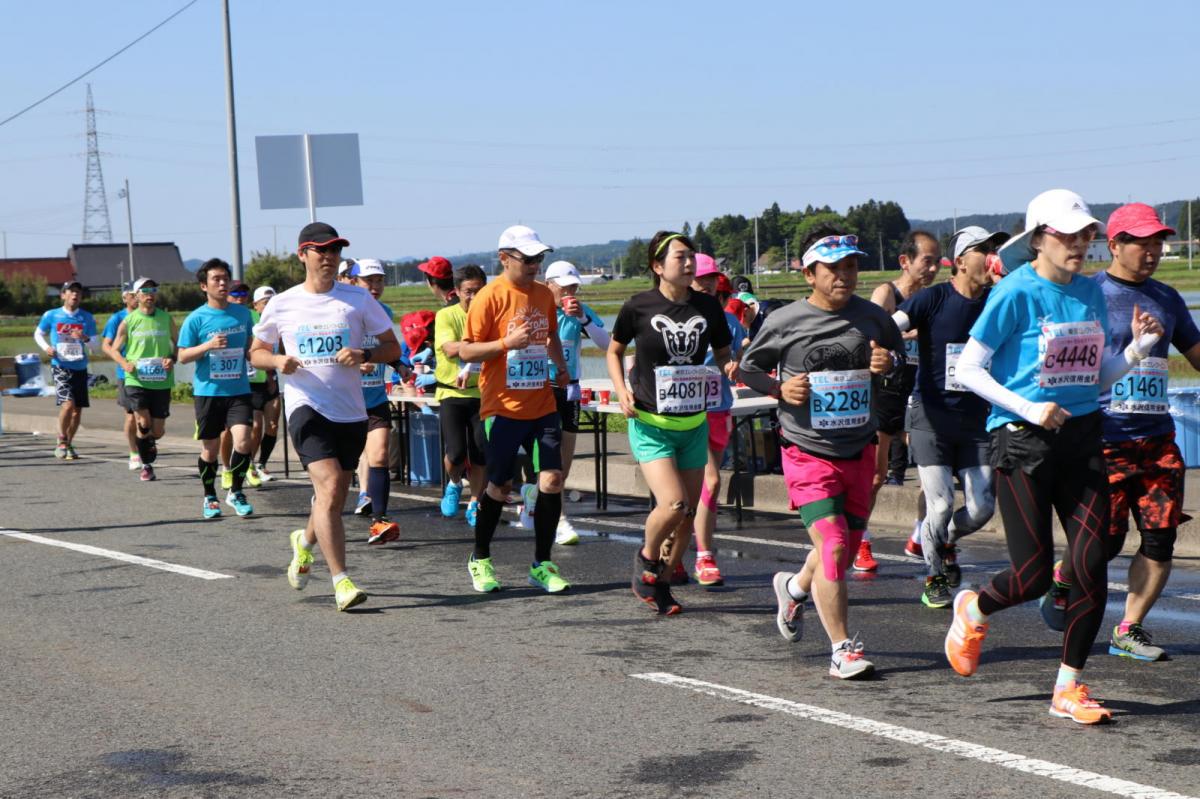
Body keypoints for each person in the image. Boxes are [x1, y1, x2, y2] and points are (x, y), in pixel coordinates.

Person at [946, 189, 1163, 724]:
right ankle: (974, 607)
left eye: (1085, 234)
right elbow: (969, 370)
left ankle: (1069, 686)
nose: (1080, 244)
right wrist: (1028, 407)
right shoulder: (1016, 293)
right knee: (1034, 575)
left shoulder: (1090, 293)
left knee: (1090, 565)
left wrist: (1135, 350)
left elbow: (1094, 376)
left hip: (1084, 437)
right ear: (1039, 238)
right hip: (1022, 440)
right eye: (1068, 235)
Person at [741, 227, 904, 678]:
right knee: (833, 546)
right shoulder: (784, 321)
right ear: (810, 273)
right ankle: (841, 649)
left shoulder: (873, 317)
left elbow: (899, 359)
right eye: (833, 268)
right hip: (807, 450)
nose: (845, 275)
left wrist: (887, 364)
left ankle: (793, 588)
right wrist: (779, 388)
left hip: (859, 448)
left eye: (851, 266)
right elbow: (748, 367)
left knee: (844, 550)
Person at [252, 222, 399, 612]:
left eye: (335, 250)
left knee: (330, 497)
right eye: (321, 250)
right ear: (303, 254)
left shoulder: (357, 299)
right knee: (332, 486)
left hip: (350, 412)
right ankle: (341, 581)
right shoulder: (282, 303)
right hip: (306, 407)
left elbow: (391, 346)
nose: (329, 257)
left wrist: (365, 355)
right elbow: (256, 351)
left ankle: (304, 542)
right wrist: (277, 359)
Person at [1091, 204, 1199, 661]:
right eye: (1141, 242)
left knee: (1160, 537)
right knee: (1106, 542)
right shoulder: (1087, 293)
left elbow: (1195, 353)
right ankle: (1064, 574)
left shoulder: (1167, 297)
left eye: (1157, 242)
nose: (1152, 251)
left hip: (1157, 440)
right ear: (1114, 245)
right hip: (1103, 437)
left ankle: (1128, 629)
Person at [607, 231, 735, 615]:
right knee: (674, 503)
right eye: (680, 257)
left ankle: (661, 583)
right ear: (657, 266)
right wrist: (620, 391)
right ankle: (646, 559)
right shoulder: (639, 306)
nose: (689, 263)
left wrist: (730, 365)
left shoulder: (708, 307)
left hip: (693, 422)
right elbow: (614, 351)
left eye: (692, 257)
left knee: (688, 516)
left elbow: (724, 351)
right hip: (650, 423)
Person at [893, 227, 1006, 608]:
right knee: (939, 506)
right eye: (983, 250)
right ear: (960, 261)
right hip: (930, 417)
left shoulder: (998, 301)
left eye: (995, 248)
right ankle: (933, 576)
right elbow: (891, 325)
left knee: (982, 508)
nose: (992, 255)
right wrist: (878, 347)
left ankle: (943, 540)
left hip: (975, 422)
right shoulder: (933, 298)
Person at [458, 224, 572, 595]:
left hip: (541, 403)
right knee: (500, 485)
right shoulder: (488, 297)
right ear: (504, 258)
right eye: (528, 258)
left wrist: (561, 367)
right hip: (502, 408)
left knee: (552, 481)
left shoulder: (542, 294)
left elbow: (551, 334)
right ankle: (481, 557)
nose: (536, 264)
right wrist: (506, 342)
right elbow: (467, 350)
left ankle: (541, 564)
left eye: (540, 257)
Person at [857, 230, 941, 571]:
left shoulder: (935, 296)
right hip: (886, 391)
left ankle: (920, 536)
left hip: (921, 390)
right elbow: (872, 339)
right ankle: (860, 540)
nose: (934, 269)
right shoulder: (886, 293)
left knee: (931, 476)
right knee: (876, 477)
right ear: (905, 261)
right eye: (927, 261)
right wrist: (913, 334)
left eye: (938, 262)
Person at [177, 259, 256, 520]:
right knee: (210, 449)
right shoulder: (195, 319)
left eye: (226, 278)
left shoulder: (243, 313)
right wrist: (208, 346)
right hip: (209, 392)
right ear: (204, 285)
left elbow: (250, 345)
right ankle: (210, 495)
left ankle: (236, 491)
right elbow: (183, 356)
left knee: (244, 439)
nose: (223, 283)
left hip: (239, 390)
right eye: (216, 279)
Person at [686, 255, 746, 585]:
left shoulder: (729, 321)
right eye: (700, 278)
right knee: (700, 485)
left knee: (707, 485)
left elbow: (735, 359)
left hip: (718, 408)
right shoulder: (674, 317)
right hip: (684, 413)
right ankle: (696, 554)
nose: (707, 283)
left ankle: (692, 553)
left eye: (711, 278)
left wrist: (734, 366)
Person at [544, 259, 610, 545]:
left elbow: (608, 344)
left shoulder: (579, 312)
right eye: (565, 286)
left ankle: (539, 501)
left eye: (574, 287)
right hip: (539, 388)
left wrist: (583, 318)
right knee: (549, 461)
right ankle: (558, 520)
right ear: (549, 285)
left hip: (569, 390)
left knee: (565, 463)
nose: (570, 292)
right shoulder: (538, 310)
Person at [349, 258, 402, 545]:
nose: (375, 286)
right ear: (355, 282)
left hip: (375, 398)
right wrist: (355, 365)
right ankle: (322, 513)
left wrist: (400, 365)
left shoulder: (385, 311)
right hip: (344, 401)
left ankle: (379, 520)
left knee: (380, 455)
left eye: (379, 280)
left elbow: (391, 348)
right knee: (339, 471)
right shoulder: (344, 311)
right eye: (368, 280)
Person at [435, 265, 489, 527]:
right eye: (469, 292)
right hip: (451, 392)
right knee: (456, 454)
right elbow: (450, 348)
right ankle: (455, 483)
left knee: (480, 452)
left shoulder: (490, 316)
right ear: (456, 291)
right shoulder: (446, 316)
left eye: (479, 291)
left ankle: (476, 502)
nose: (474, 297)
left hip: (483, 393)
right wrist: (480, 348)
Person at [110, 278, 176, 482]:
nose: (150, 294)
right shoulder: (129, 321)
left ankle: (149, 443)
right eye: (145, 290)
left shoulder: (166, 318)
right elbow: (113, 349)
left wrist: (172, 359)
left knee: (157, 431)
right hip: (136, 379)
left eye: (153, 290)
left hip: (161, 380)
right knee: (143, 421)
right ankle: (146, 465)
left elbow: (179, 344)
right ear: (136, 296)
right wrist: (124, 364)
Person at [35, 280, 98, 460]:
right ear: (63, 295)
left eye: (78, 292)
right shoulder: (52, 315)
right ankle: (61, 439)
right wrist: (46, 348)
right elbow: (38, 333)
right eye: (70, 291)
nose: (74, 294)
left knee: (77, 410)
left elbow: (96, 345)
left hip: (80, 366)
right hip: (60, 366)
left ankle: (68, 443)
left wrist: (84, 337)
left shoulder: (87, 317)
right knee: (68, 404)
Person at [219, 282, 264, 491]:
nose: (240, 296)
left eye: (244, 293)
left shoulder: (247, 316)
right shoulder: (212, 315)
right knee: (225, 432)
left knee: (250, 429)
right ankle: (226, 468)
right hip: (218, 386)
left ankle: (248, 466)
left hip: (244, 384)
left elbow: (252, 347)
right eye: (235, 293)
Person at [101, 283, 141, 469]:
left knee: (148, 417)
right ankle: (134, 453)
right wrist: (123, 362)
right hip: (126, 373)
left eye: (137, 294)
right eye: (132, 295)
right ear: (125, 298)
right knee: (131, 416)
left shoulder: (152, 315)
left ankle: (146, 444)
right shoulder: (117, 318)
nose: (136, 297)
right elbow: (106, 345)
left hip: (150, 374)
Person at [251, 286, 281, 481]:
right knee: (254, 426)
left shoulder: (280, 323)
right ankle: (248, 464)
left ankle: (261, 463)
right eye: (265, 302)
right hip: (252, 381)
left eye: (273, 300)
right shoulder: (250, 323)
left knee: (272, 425)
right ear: (256, 306)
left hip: (272, 381)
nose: (270, 304)